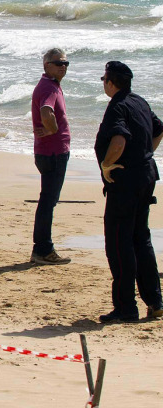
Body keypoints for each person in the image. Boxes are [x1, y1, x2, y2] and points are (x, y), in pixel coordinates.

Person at [94, 61, 163, 323]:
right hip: (146, 177)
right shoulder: (139, 101)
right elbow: (159, 129)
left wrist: (107, 164)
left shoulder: (118, 105)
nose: (103, 83)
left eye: (104, 79)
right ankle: (155, 302)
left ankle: (126, 307)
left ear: (111, 83)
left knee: (119, 243)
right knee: (141, 239)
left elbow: (119, 140)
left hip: (126, 183)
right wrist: (144, 155)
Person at [30, 48, 73, 265]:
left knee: (47, 200)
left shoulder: (50, 84)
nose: (63, 67)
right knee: (48, 201)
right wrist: (53, 130)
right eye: (58, 63)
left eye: (66, 63)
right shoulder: (49, 87)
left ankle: (42, 248)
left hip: (47, 151)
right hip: (53, 153)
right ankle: (43, 249)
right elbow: (47, 110)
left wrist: (50, 130)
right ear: (47, 65)